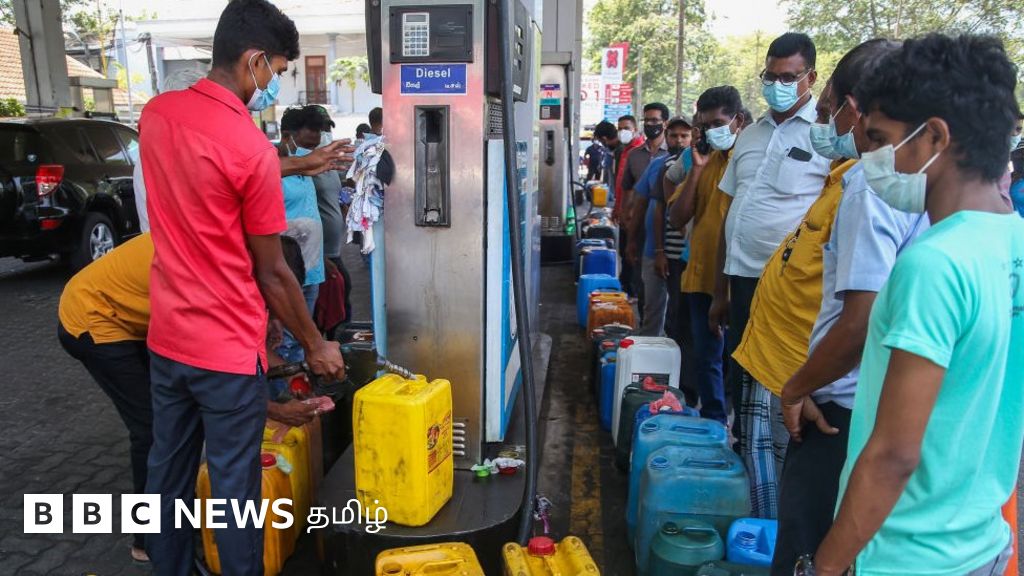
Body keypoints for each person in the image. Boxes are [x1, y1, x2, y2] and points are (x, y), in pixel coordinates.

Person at [138, 1, 347, 573]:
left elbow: (208, 176)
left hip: (167, 337)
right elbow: (274, 270)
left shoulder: (157, 114)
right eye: (276, 71)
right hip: (225, 348)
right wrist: (315, 344)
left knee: (167, 472)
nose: (274, 84)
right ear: (254, 60)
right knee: (235, 490)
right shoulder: (249, 146)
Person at [807, 33, 1023, 576]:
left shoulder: (935, 264)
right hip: (980, 543)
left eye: (880, 139)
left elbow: (894, 454)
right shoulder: (1012, 242)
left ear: (934, 138)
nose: (872, 157)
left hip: (904, 553)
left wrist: (826, 567)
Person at [713, 39, 908, 572]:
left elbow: (861, 314)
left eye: (829, 108)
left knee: (807, 529)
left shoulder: (869, 185)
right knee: (768, 457)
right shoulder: (845, 173)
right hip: (796, 349)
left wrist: (803, 384)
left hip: (832, 390)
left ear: (857, 109)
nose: (824, 120)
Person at [56, 234, 319, 565]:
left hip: (136, 317)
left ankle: (170, 530)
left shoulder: (228, 253)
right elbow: (212, 382)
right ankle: (148, 539)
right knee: (151, 431)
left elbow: (237, 357)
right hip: (93, 318)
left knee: (169, 427)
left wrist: (292, 371)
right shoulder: (212, 278)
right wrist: (276, 409)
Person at [711, 32, 831, 517]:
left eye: (788, 77)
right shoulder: (752, 135)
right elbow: (730, 213)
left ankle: (782, 500)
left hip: (786, 296)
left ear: (811, 78)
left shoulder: (823, 137)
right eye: (771, 76)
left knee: (783, 397)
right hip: (741, 285)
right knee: (743, 388)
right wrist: (720, 289)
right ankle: (748, 481)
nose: (777, 85)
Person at [667, 86, 746, 425]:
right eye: (705, 125)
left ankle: (740, 425)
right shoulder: (706, 161)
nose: (711, 131)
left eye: (718, 123)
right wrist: (696, 170)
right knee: (706, 356)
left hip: (739, 280)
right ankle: (714, 421)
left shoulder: (751, 161)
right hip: (701, 278)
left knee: (739, 360)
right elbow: (677, 218)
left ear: (737, 121)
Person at [275, 106, 330, 367]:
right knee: (285, 340)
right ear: (287, 137)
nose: (313, 154)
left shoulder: (304, 171)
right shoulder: (271, 171)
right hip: (286, 271)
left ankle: (299, 394)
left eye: (316, 147)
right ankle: (285, 396)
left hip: (312, 270)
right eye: (308, 146)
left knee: (301, 339)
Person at [629, 111, 684, 337]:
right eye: (673, 136)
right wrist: (632, 241)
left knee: (679, 315)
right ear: (666, 136)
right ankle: (649, 360)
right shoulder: (659, 166)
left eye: (684, 136)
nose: (678, 141)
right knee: (652, 309)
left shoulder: (703, 168)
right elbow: (642, 205)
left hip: (685, 256)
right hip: (654, 250)